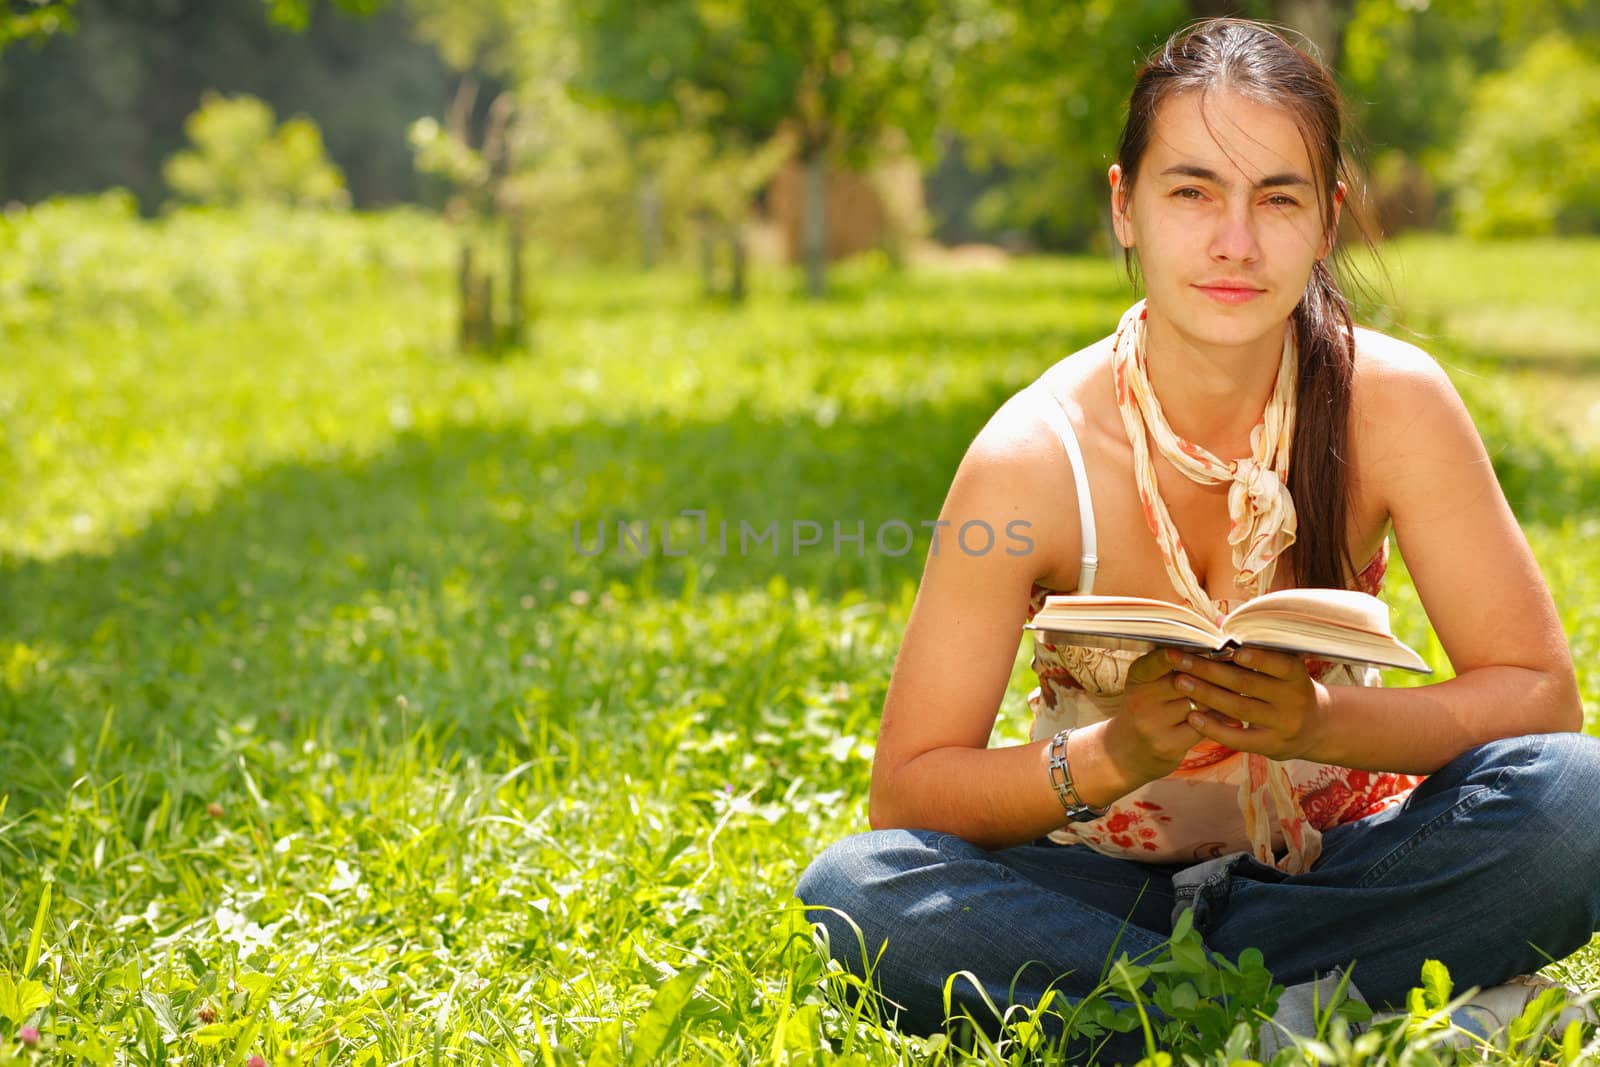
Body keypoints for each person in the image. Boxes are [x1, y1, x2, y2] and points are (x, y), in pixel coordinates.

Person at [796, 16, 1600, 1060]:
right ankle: (1324, 1009)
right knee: (857, 892)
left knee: (1578, 802)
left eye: (1277, 198)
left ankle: (1193, 1013)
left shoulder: (1389, 403)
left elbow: (1539, 699)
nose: (1233, 241)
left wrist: (1313, 722)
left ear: (1327, 221)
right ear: (1123, 207)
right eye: (1190, 192)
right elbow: (908, 790)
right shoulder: (1032, 454)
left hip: (1345, 863)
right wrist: (1119, 749)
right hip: (1104, 894)